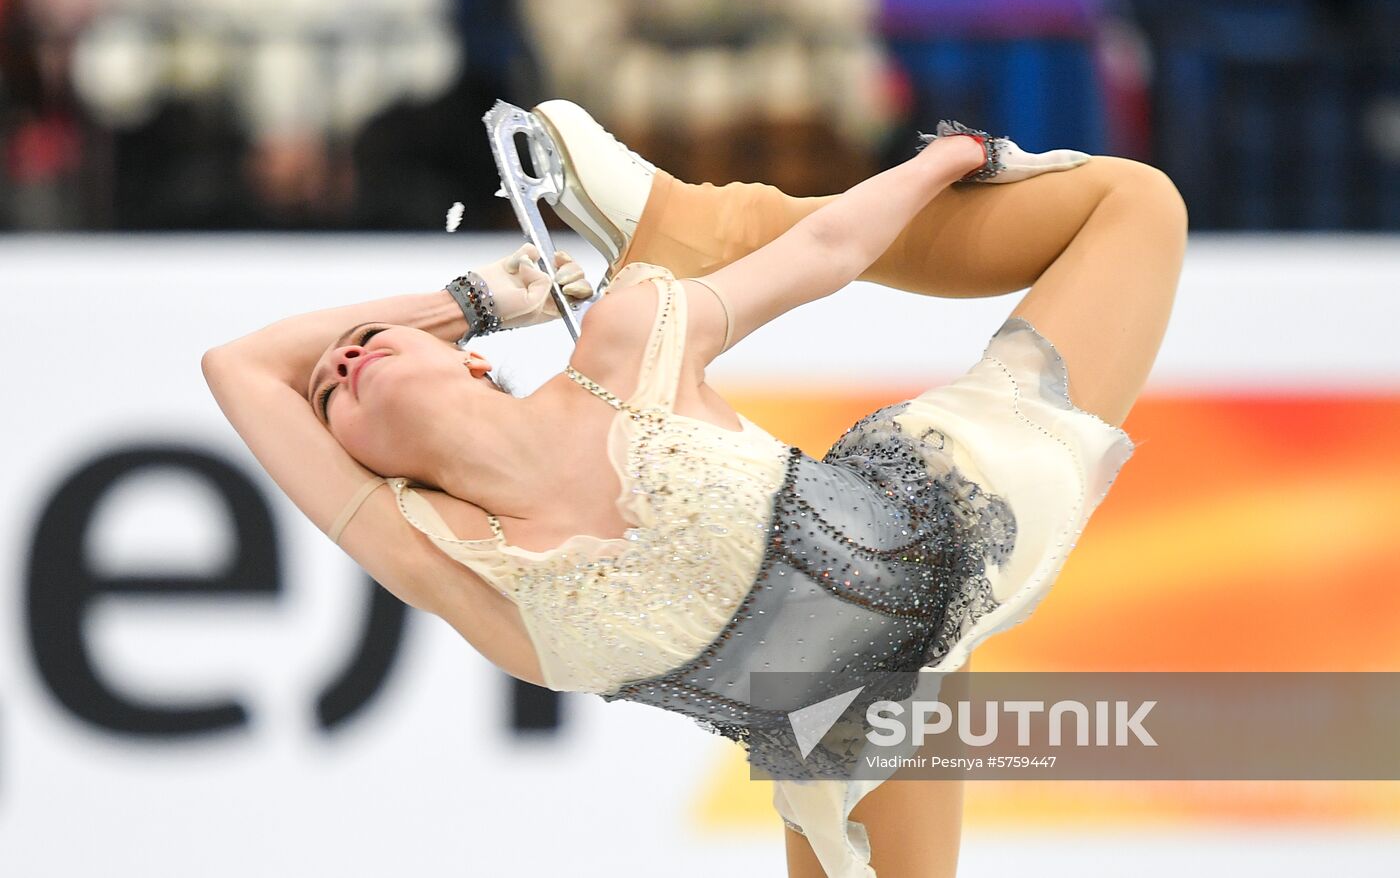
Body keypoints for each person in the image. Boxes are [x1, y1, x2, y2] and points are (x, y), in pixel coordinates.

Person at [202, 100, 1185, 878]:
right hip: (849, 736)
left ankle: (705, 221)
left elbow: (824, 256)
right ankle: (689, 226)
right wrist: (463, 304)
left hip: (954, 500)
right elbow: (240, 367)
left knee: (1133, 204)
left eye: (364, 348)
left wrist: (940, 160)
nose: (340, 366)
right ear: (363, 460)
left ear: (463, 363)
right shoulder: (443, 554)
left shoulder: (619, 356)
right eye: (329, 391)